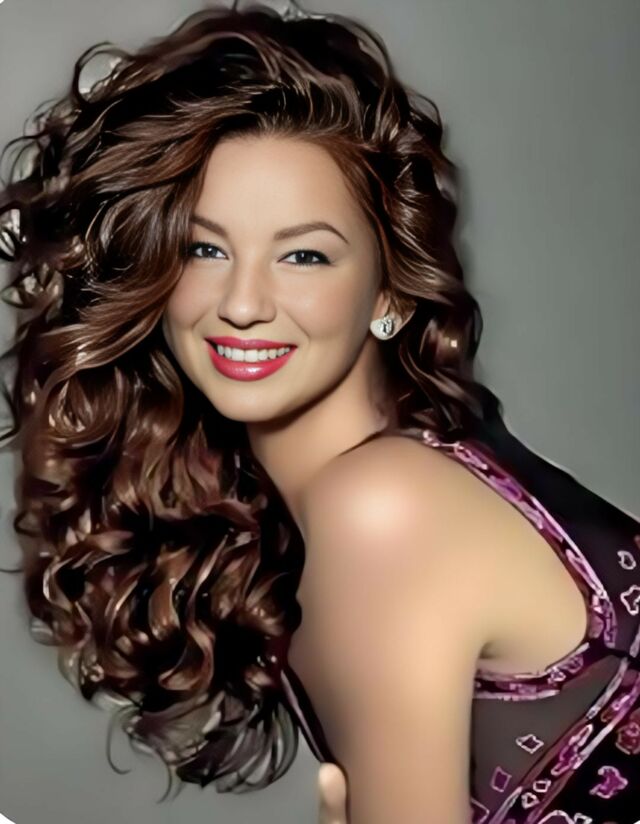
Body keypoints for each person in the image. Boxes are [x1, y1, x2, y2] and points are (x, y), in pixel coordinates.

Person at [0, 1, 639, 822]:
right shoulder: (366, 499)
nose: (243, 304)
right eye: (203, 248)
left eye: (304, 255)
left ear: (390, 292)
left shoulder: (386, 509)